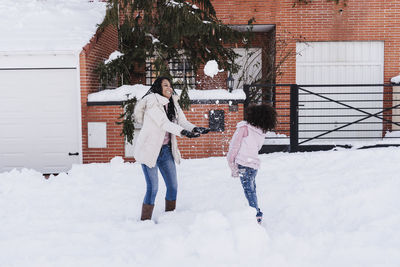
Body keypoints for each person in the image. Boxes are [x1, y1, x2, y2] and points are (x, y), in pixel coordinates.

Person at [133, 77, 210, 221]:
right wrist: (183, 132)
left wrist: (194, 128)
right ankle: (145, 222)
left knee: (173, 187)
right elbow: (163, 123)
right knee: (153, 188)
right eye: (165, 85)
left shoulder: (173, 102)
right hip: (149, 151)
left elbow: (182, 121)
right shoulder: (152, 102)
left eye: (170, 85)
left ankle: (169, 219)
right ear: (158, 88)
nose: (169, 88)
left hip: (166, 151)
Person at [227, 103, 277, 224]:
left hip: (243, 164)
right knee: (252, 189)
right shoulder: (261, 132)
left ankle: (255, 214)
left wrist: (232, 164)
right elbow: (257, 147)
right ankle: (255, 211)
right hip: (253, 165)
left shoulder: (243, 128)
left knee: (249, 190)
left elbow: (234, 146)